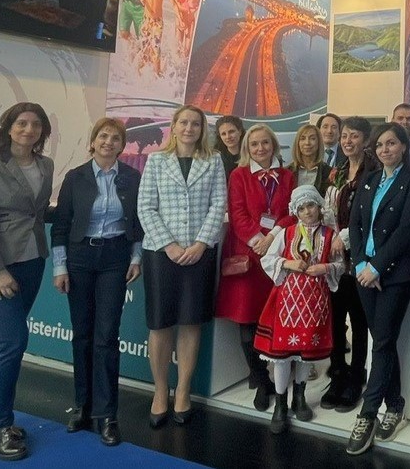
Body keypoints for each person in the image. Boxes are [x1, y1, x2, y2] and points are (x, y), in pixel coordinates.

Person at [0, 103, 54, 461]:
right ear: (8, 127)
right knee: (14, 340)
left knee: (1, 341)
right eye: (22, 123)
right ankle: (1, 427)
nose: (29, 129)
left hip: (32, 262)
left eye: (36, 124)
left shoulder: (46, 165)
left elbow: (36, 211)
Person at [51, 117, 143, 447]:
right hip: (79, 259)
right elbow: (61, 226)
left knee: (106, 336)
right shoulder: (75, 177)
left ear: (122, 146)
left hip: (115, 259)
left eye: (115, 138)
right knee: (82, 335)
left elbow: (138, 222)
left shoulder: (132, 177)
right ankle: (82, 406)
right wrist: (59, 267)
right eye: (103, 136)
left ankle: (107, 415)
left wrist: (136, 258)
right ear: (93, 141)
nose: (108, 142)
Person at [138, 105, 227, 427]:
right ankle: (160, 391)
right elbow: (146, 207)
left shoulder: (213, 160)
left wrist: (200, 244)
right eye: (184, 123)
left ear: (203, 129)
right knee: (160, 325)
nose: (189, 128)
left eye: (196, 124)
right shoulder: (156, 161)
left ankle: (183, 391)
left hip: (199, 253)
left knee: (191, 323)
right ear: (173, 127)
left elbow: (218, 204)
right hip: (161, 253)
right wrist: (170, 246)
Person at [346, 123, 410, 456]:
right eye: (380, 145)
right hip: (364, 273)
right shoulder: (368, 179)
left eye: (391, 143)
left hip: (394, 274)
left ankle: (367, 414)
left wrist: (377, 267)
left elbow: (406, 229)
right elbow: (354, 224)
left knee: (381, 341)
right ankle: (394, 404)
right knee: (384, 340)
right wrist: (360, 266)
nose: (385, 150)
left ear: (404, 146)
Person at [214, 124, 295, 411]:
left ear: (274, 145)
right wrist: (258, 240)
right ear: (247, 148)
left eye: (265, 143)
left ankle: (281, 374)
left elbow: (291, 214)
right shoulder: (238, 175)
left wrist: (271, 239)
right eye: (254, 144)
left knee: (277, 319)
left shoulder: (288, 176)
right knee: (247, 323)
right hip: (247, 256)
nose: (260, 148)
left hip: (278, 255)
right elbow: (237, 214)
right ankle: (260, 379)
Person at [255, 186, 344, 433]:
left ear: (319, 206)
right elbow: (267, 259)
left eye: (311, 206)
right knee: (283, 355)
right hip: (288, 301)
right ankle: (280, 403)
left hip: (315, 303)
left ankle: (299, 397)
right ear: (295, 211)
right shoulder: (287, 233)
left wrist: (325, 268)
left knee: (307, 351)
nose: (307, 212)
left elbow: (340, 264)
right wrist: (288, 263)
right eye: (302, 208)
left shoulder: (329, 235)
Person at [321, 116, 378, 412]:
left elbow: (370, 215)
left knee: (358, 320)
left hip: (358, 257)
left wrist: (344, 237)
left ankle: (356, 376)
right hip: (334, 258)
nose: (347, 141)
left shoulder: (374, 171)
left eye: (354, 136)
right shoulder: (338, 170)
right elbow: (328, 208)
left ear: (366, 140)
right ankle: (337, 373)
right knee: (335, 318)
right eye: (344, 136)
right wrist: (329, 235)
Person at [136, 0, 179, 77]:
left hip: (157, 22)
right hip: (146, 19)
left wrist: (180, 18)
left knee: (156, 48)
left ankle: (157, 74)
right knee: (144, 47)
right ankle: (139, 72)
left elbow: (173, 3)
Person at [287, 123, 330, 195]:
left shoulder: (329, 172)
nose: (307, 143)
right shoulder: (287, 172)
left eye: (312, 138)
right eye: (303, 138)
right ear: (298, 143)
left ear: (319, 142)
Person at [214, 115, 245, 180]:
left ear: (240, 132)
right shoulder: (216, 158)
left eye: (231, 132)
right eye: (223, 134)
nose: (228, 137)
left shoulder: (252, 155)